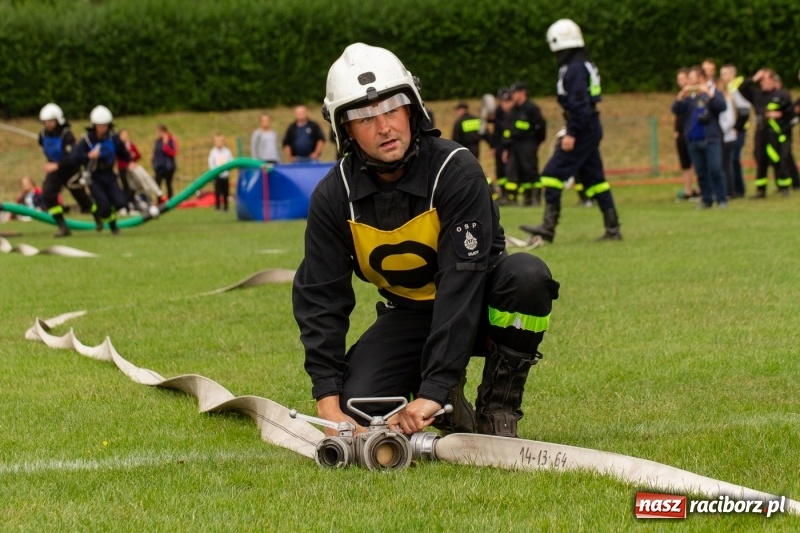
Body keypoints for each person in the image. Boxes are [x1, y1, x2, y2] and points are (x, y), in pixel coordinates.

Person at [292, 43, 560, 439]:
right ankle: (447, 400)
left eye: (391, 109)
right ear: (344, 129)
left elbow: (461, 282)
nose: (383, 127)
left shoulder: (457, 172)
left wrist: (433, 387)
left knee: (527, 276)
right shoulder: (334, 196)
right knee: (358, 407)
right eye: (365, 117)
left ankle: (498, 408)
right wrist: (327, 399)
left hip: (479, 305)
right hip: (411, 315)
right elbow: (321, 297)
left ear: (412, 109)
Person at [521, 19, 622, 243]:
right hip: (589, 125)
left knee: (551, 174)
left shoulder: (574, 68)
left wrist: (572, 133)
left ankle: (548, 226)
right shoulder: (583, 63)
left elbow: (579, 104)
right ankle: (613, 228)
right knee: (596, 180)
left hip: (582, 127)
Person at [37, 103, 102, 237]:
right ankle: (63, 226)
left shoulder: (67, 135)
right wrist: (51, 165)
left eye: (50, 121)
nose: (47, 124)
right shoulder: (43, 135)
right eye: (45, 122)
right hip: (55, 172)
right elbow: (44, 149)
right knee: (47, 195)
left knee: (82, 199)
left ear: (58, 120)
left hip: (70, 171)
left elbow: (72, 156)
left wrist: (57, 165)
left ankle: (96, 213)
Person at [671, 67, 728, 208]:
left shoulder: (714, 92)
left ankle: (721, 199)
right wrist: (680, 96)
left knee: (715, 169)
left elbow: (722, 107)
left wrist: (709, 94)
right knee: (701, 172)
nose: (688, 81)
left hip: (710, 139)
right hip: (693, 140)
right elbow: (676, 110)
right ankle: (706, 199)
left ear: (701, 78)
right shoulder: (690, 97)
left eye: (691, 78)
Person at [73, 105, 130, 235]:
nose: (102, 128)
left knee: (120, 202)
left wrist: (128, 157)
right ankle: (113, 226)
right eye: (99, 125)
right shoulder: (86, 140)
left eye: (104, 125)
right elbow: (75, 159)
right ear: (94, 125)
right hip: (94, 177)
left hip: (109, 174)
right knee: (104, 208)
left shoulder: (114, 138)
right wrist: (88, 156)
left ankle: (109, 216)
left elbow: (123, 154)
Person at [739, 68, 794, 198]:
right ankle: (760, 190)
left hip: (775, 133)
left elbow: (791, 113)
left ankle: (784, 186)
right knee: (761, 160)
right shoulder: (757, 94)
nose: (762, 82)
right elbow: (741, 88)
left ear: (772, 80)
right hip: (761, 132)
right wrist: (754, 78)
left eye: (764, 79)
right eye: (761, 80)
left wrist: (779, 114)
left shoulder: (782, 95)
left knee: (777, 160)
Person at [503, 81, 546, 206]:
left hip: (528, 143)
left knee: (530, 170)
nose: (513, 96)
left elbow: (540, 126)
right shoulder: (514, 109)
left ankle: (536, 198)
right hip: (515, 144)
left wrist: (536, 142)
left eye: (515, 93)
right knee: (519, 170)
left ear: (523, 93)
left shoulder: (531, 108)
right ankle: (527, 199)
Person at [719, 64, 749, 198]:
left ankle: (737, 189)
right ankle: (736, 188)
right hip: (732, 130)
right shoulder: (726, 89)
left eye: (725, 73)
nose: (722, 76)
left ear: (732, 75)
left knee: (733, 159)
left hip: (737, 130)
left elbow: (744, 111)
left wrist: (737, 128)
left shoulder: (736, 89)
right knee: (732, 160)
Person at [673, 68, 699, 201]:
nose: (681, 82)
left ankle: (699, 189)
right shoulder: (683, 96)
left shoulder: (695, 95)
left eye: (683, 79)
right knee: (685, 163)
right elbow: (676, 112)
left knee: (696, 161)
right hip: (681, 133)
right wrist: (676, 130)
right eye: (679, 80)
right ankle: (688, 190)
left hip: (692, 133)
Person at [491, 88, 514, 202]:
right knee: (500, 171)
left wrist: (507, 148)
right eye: (502, 101)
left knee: (510, 170)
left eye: (507, 101)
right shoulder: (499, 112)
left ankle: (511, 196)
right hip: (499, 144)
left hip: (511, 145)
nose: (504, 104)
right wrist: (493, 146)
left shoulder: (514, 113)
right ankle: (503, 194)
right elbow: (496, 131)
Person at [116, 129, 141, 212]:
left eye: (126, 134)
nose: (125, 136)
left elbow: (138, 154)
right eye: (123, 134)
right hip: (122, 168)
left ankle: (129, 206)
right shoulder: (118, 145)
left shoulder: (130, 144)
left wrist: (132, 159)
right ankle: (125, 207)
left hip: (131, 169)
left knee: (132, 188)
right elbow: (117, 155)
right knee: (126, 187)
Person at [208, 133, 234, 211]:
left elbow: (231, 161)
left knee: (226, 192)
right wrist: (214, 171)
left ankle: (226, 207)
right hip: (217, 176)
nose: (219, 142)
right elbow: (211, 162)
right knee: (217, 192)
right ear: (215, 142)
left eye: (220, 141)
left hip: (225, 175)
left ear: (223, 142)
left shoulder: (227, 152)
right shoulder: (213, 152)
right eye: (217, 141)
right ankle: (218, 207)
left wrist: (228, 170)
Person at [152, 124, 178, 199]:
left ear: (163, 132)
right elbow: (155, 152)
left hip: (168, 167)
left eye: (158, 132)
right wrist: (154, 162)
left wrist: (165, 145)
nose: (157, 134)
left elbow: (173, 152)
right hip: (159, 167)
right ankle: (159, 201)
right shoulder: (157, 141)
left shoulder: (171, 140)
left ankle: (170, 201)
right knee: (157, 185)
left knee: (168, 184)